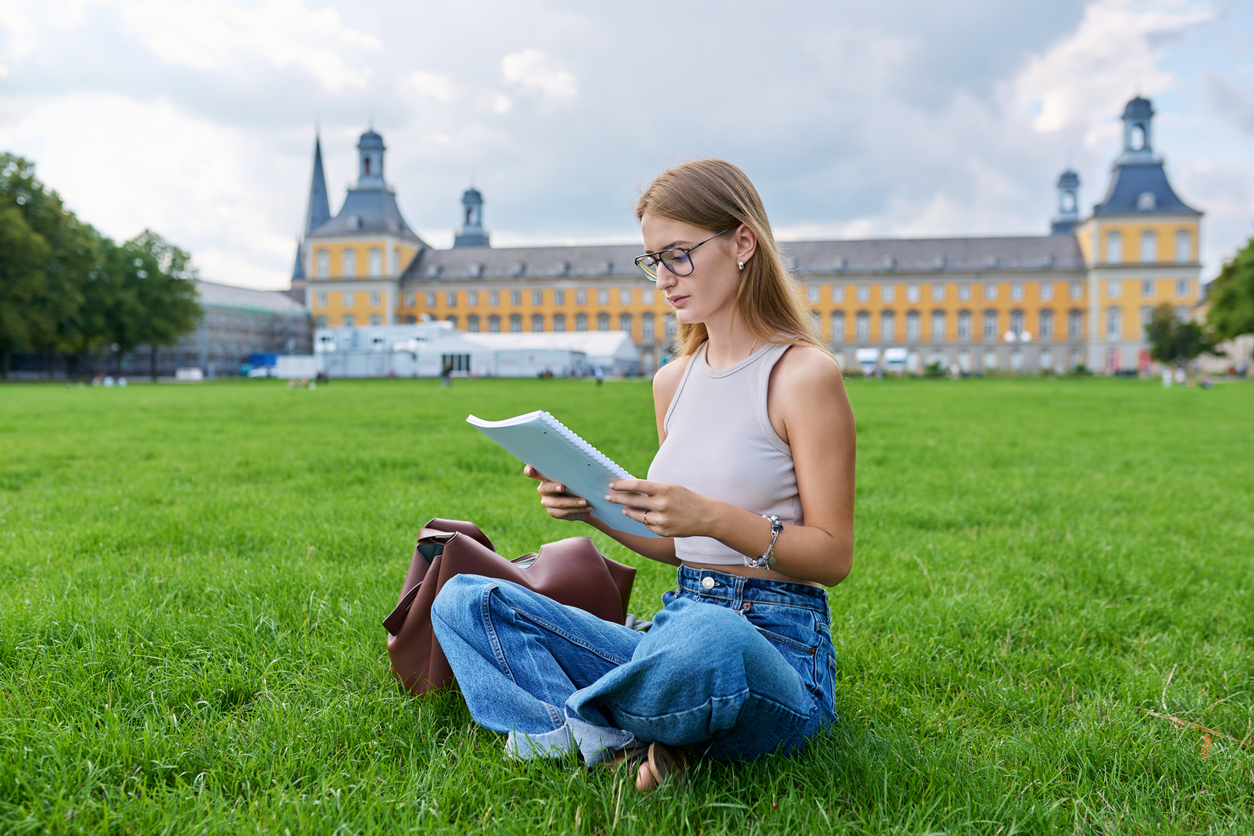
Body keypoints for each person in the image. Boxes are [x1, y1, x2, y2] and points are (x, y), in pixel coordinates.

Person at [430, 159, 855, 792]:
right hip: (677, 623)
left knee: (712, 642)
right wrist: (593, 505)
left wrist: (710, 516)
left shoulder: (803, 375)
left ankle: (603, 724)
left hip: (774, 650)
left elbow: (832, 556)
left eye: (679, 255)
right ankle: (615, 738)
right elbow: (675, 547)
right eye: (652, 260)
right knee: (466, 598)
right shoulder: (672, 382)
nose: (664, 278)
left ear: (743, 243)